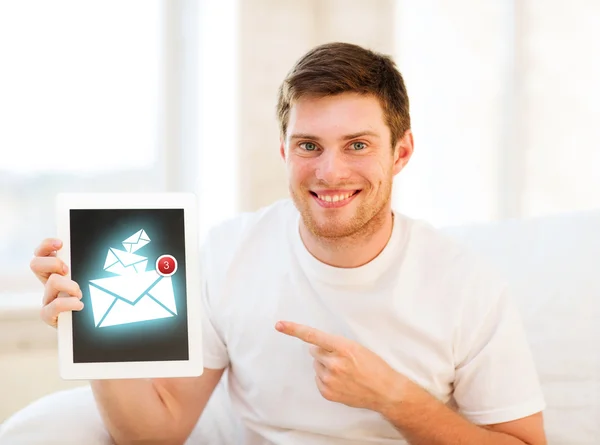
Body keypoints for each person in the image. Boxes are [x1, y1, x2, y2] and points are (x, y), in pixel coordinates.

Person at [30, 42, 547, 444]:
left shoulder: (467, 284)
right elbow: (155, 434)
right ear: (284, 150)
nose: (330, 171)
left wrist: (394, 397)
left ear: (402, 152)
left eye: (358, 145)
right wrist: (90, 334)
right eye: (309, 145)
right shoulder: (230, 254)